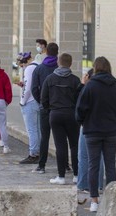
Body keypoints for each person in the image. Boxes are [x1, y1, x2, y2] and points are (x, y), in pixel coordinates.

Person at [76, 56, 116, 212]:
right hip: (111, 132)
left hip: (92, 132)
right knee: (110, 165)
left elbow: (80, 110)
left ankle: (94, 201)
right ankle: (110, 198)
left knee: (94, 165)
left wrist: (84, 123)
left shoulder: (90, 87)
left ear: (96, 68)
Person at [41, 53, 80, 185]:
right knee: (74, 145)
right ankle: (76, 175)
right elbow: (79, 99)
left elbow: (43, 99)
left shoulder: (50, 79)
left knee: (60, 145)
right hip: (71, 114)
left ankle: (61, 176)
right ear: (71, 63)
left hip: (55, 114)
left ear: (58, 62)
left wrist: (49, 109)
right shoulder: (75, 80)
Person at [31, 42, 59, 174]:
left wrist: (41, 101)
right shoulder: (59, 68)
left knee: (45, 137)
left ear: (46, 52)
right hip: (58, 107)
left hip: (45, 107)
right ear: (57, 53)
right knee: (60, 138)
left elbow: (33, 88)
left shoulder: (39, 69)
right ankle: (64, 165)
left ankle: (41, 165)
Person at [77, 68, 104, 193]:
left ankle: (84, 184)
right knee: (100, 158)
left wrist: (83, 84)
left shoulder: (88, 89)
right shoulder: (109, 88)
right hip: (105, 127)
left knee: (84, 156)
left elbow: (79, 105)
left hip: (88, 126)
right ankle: (98, 185)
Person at [15, 52, 41, 164]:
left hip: (30, 102)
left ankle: (33, 153)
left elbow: (29, 88)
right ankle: (38, 151)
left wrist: (22, 101)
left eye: (21, 65)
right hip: (38, 101)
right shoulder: (38, 66)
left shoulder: (29, 69)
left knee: (32, 130)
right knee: (38, 130)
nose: (21, 67)